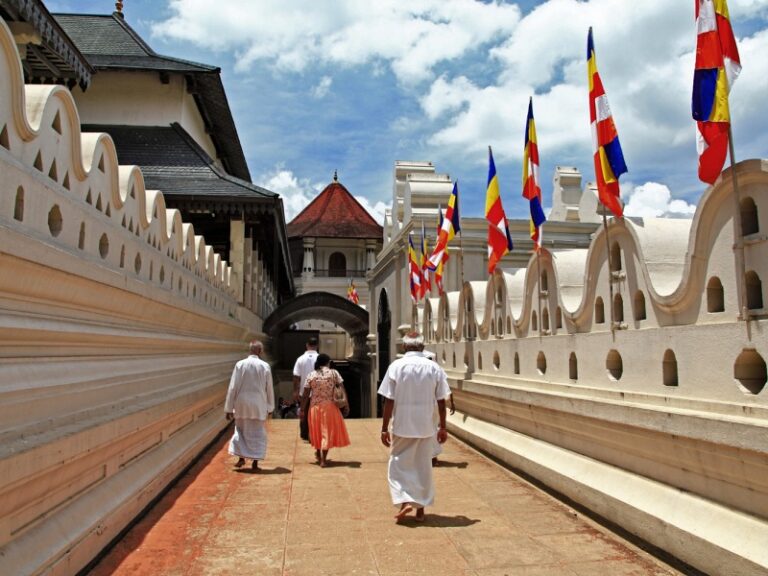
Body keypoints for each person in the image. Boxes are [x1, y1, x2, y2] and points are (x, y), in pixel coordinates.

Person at [379, 331, 451, 522]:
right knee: (423, 466)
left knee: (398, 464)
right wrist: (442, 427)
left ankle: (405, 500)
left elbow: (388, 400)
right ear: (422, 346)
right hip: (427, 425)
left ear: (404, 347)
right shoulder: (434, 368)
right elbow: (442, 401)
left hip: (402, 424)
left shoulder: (396, 366)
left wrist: (385, 427)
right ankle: (420, 510)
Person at [224, 340, 274, 471]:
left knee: (240, 430)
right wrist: (270, 407)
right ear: (260, 351)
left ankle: (241, 458)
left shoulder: (240, 365)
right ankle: (255, 463)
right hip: (258, 404)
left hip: (242, 403)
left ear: (250, 350)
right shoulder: (265, 366)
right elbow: (269, 389)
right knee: (258, 432)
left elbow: (233, 387)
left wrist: (229, 408)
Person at [300, 353, 351, 467]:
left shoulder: (311, 375)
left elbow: (305, 394)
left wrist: (302, 409)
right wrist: (346, 404)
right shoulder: (334, 373)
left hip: (314, 407)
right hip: (330, 407)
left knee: (317, 431)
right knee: (326, 432)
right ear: (328, 362)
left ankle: (318, 453)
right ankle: (323, 459)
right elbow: (342, 389)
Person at [293, 337, 319, 440]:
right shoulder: (320, 358)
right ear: (317, 346)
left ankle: (304, 434)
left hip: (303, 392)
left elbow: (296, 376)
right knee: (316, 414)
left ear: (307, 345)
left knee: (303, 411)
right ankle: (314, 434)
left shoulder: (300, 359)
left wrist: (295, 391)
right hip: (317, 392)